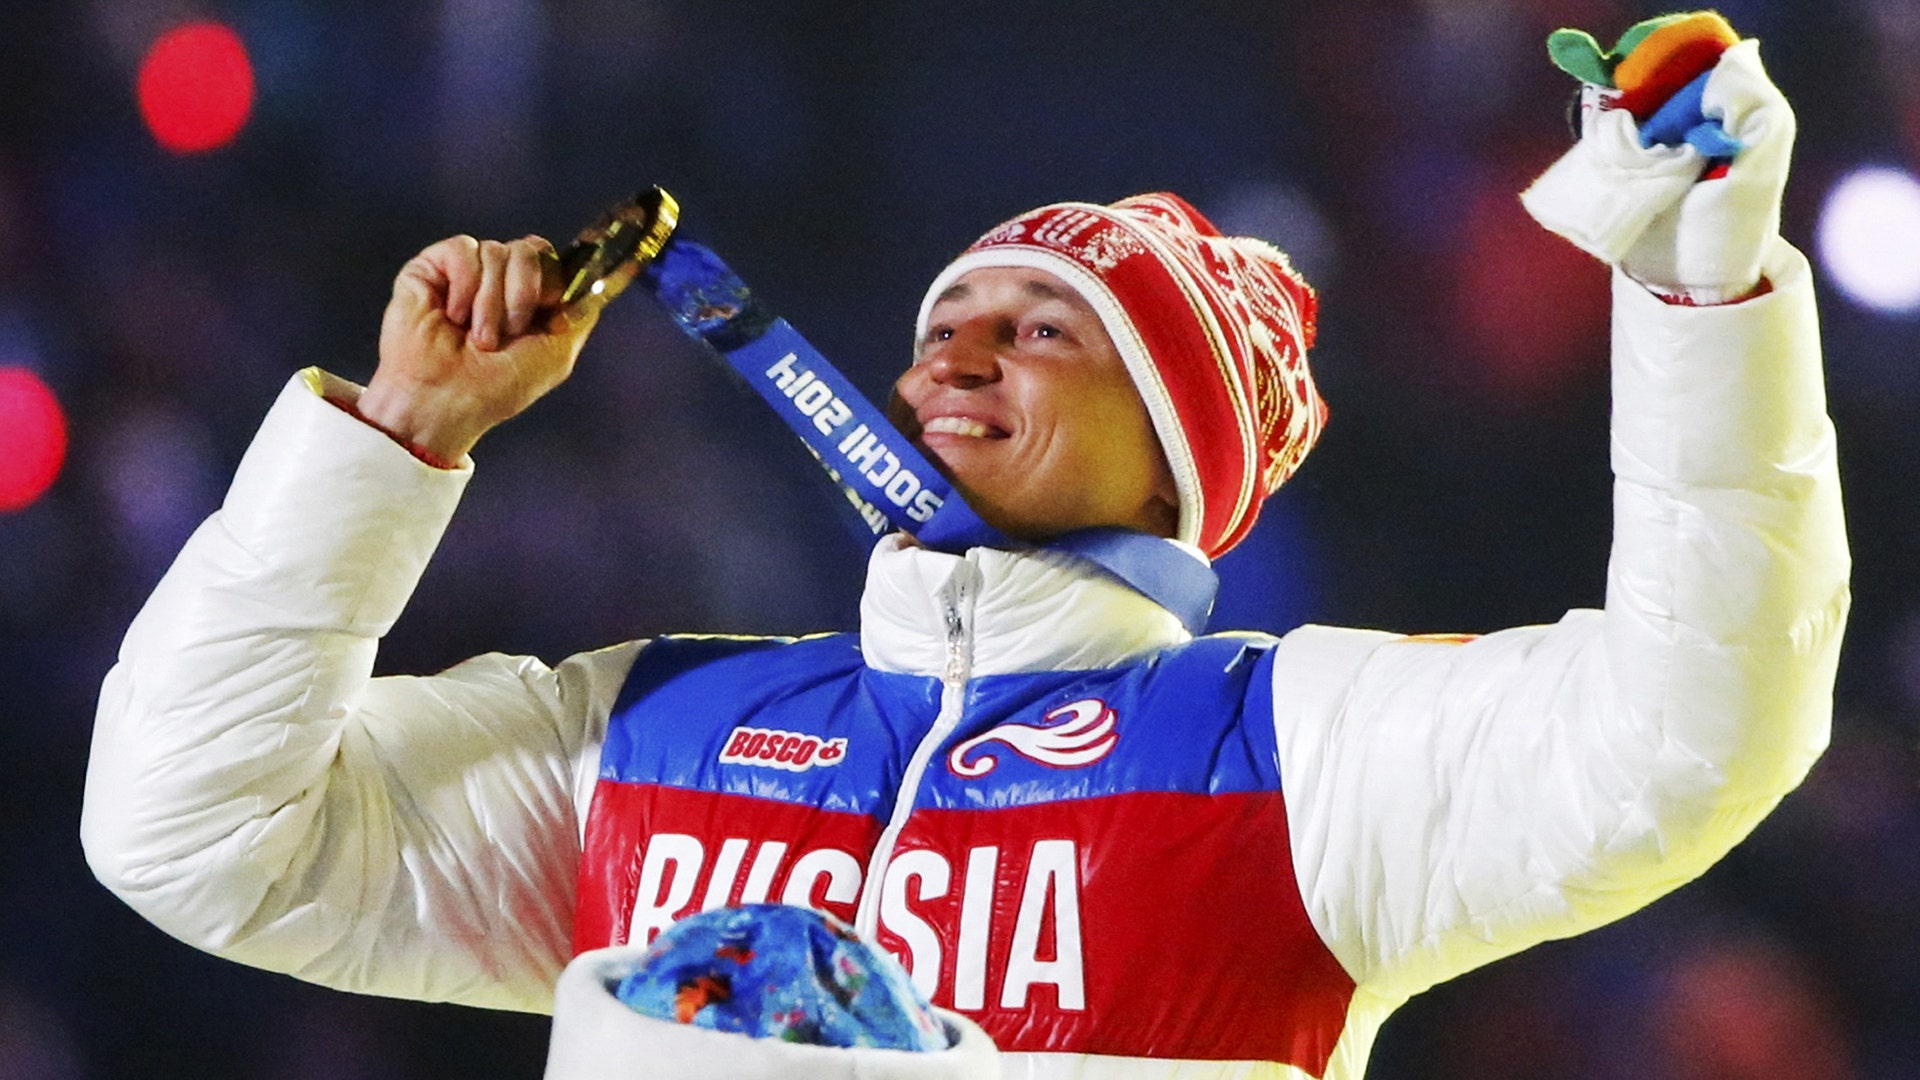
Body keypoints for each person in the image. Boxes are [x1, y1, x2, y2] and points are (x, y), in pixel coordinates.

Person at [80, 31, 1847, 1080]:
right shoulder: (647, 728)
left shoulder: (1306, 760)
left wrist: (1701, 294)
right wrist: (386, 446)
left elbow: (1690, 727)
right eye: (946, 319)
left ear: (1177, 454)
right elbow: (192, 834)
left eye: (1045, 330)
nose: (952, 355)